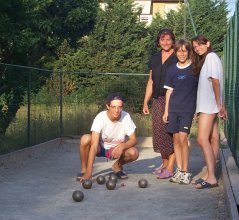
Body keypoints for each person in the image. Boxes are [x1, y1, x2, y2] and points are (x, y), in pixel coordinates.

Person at [191, 35, 227, 189]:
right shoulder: (208, 59)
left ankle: (212, 177)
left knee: (201, 139)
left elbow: (216, 82)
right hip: (208, 105)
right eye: (195, 47)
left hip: (210, 106)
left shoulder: (211, 57)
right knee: (212, 138)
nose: (197, 48)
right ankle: (208, 174)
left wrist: (219, 105)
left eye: (199, 45)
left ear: (208, 44)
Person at [77, 93, 139, 182]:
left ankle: (117, 166)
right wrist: (89, 173)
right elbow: (94, 146)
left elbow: (133, 140)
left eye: (119, 107)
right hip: (101, 148)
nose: (117, 110)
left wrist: (122, 146)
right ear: (108, 106)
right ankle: (84, 169)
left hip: (116, 150)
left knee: (134, 153)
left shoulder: (126, 116)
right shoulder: (100, 118)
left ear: (122, 106)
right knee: (85, 139)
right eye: (113, 107)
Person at [163, 39, 198, 184]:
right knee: (176, 140)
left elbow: (201, 89)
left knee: (184, 139)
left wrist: (198, 109)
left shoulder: (195, 68)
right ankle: (179, 170)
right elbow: (169, 92)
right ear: (175, 52)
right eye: (179, 51)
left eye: (184, 50)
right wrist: (166, 111)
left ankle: (186, 171)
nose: (182, 54)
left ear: (188, 52)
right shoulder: (172, 69)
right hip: (173, 110)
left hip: (187, 110)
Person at [143, 28, 177, 179]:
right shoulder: (155, 58)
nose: (165, 42)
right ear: (158, 42)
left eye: (168, 39)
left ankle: (171, 166)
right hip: (157, 100)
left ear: (173, 41)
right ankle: (165, 164)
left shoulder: (178, 57)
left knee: (171, 134)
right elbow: (151, 81)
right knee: (159, 134)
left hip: (173, 100)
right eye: (162, 40)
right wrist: (145, 102)